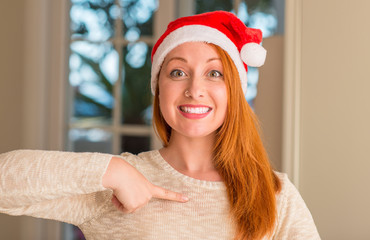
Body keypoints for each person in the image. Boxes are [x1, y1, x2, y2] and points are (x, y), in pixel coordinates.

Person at [0, 11, 320, 240]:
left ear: (234, 92)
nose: (195, 89)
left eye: (215, 73)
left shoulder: (275, 194)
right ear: (159, 88)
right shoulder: (114, 184)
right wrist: (113, 170)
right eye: (178, 73)